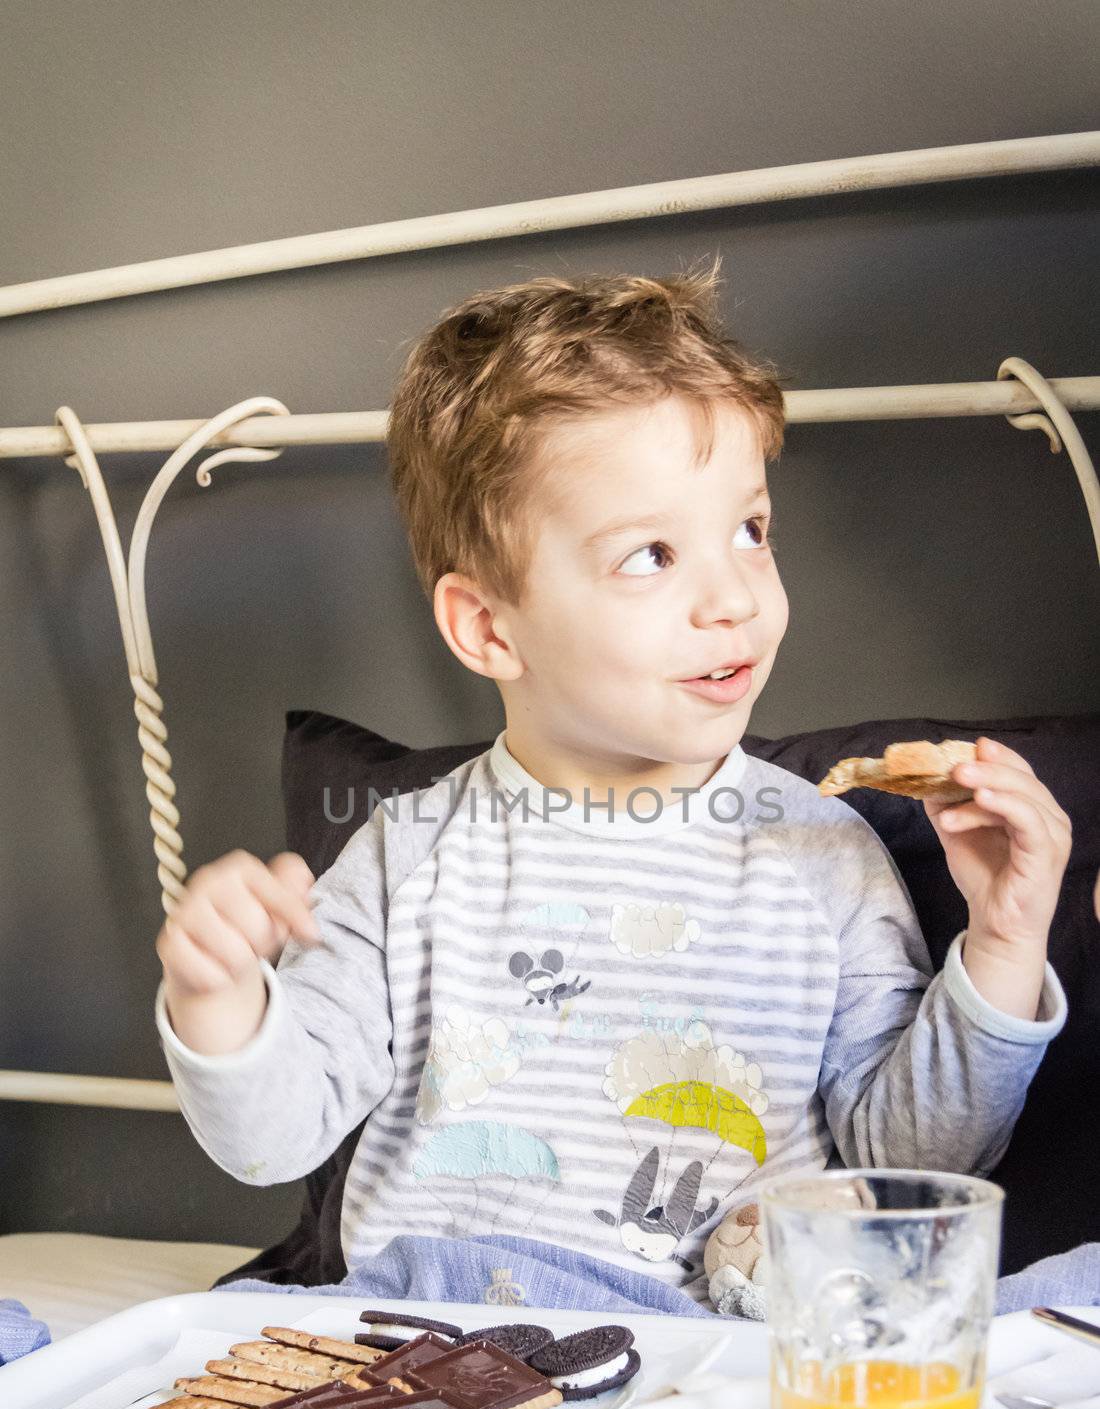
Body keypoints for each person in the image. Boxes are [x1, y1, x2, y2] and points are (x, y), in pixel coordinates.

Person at [154, 261, 1071, 1312]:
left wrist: (1000, 947)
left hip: (715, 1361)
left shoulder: (822, 852)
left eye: (750, 530)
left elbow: (912, 1160)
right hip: (446, 1339)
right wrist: (217, 998)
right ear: (489, 627)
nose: (731, 596)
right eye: (649, 555)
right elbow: (273, 1139)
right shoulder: (408, 859)